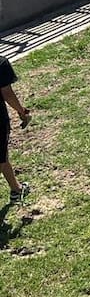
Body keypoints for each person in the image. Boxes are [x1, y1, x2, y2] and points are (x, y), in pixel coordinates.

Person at [1, 56, 31, 204]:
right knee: (2, 156)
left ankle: (16, 189)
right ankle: (16, 190)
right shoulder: (1, 63)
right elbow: (7, 93)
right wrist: (22, 111)